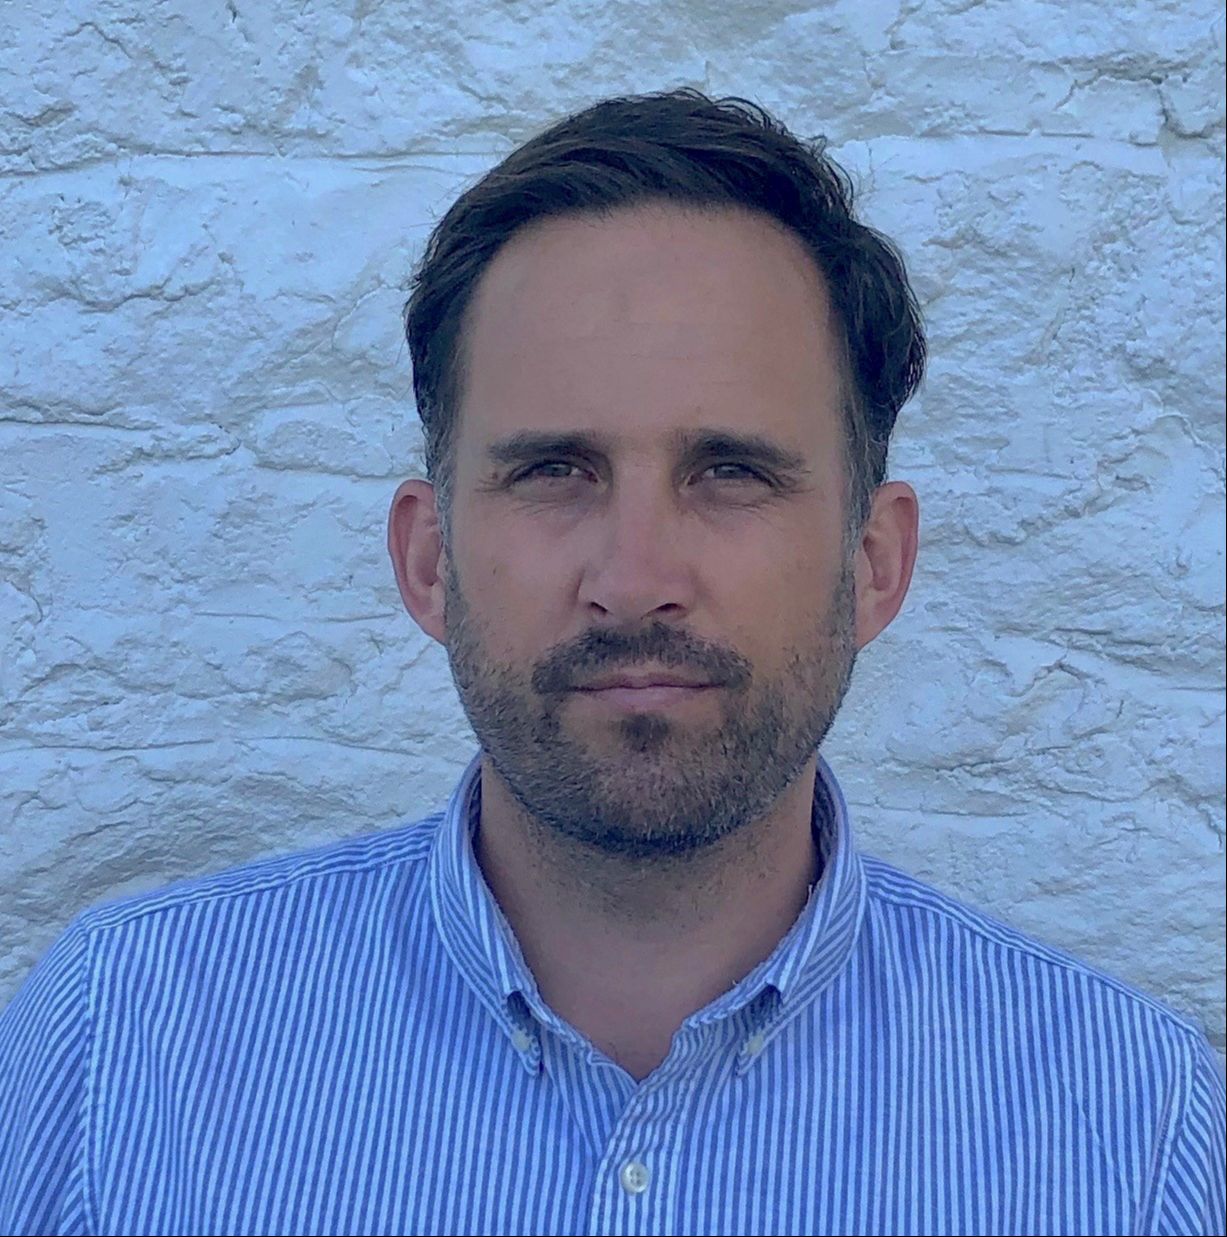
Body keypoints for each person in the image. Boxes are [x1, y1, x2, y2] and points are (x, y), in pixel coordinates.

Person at [0, 88, 1222, 1237]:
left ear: (874, 562)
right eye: (554, 471)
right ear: (429, 560)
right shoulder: (122, 1049)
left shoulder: (1130, 1133)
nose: (635, 578)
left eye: (731, 471)